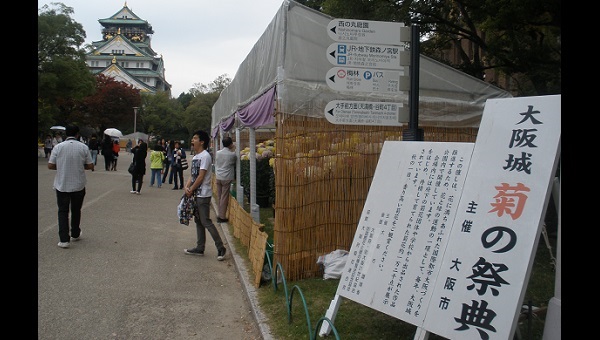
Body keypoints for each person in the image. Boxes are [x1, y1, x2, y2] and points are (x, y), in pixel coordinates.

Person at [48, 124, 94, 248]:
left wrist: (62, 166)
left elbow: (50, 165)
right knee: (76, 210)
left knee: (62, 211)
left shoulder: (58, 147)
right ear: (77, 134)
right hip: (78, 184)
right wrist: (80, 166)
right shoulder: (83, 147)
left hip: (62, 184)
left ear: (65, 134)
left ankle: (64, 240)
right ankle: (75, 233)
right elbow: (90, 165)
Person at [183, 130, 227, 260]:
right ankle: (199, 247)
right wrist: (187, 186)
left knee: (206, 221)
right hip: (196, 193)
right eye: (193, 138)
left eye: (195, 138)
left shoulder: (205, 156)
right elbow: (193, 175)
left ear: (201, 141)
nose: (192, 140)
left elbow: (201, 176)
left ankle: (221, 248)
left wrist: (191, 189)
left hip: (203, 194)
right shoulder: (196, 156)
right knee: (198, 221)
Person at [215, 136, 236, 223]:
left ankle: (219, 213)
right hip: (226, 177)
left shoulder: (218, 153)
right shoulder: (232, 155)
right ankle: (222, 216)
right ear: (230, 144)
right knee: (224, 197)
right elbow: (234, 162)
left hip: (218, 176)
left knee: (220, 196)